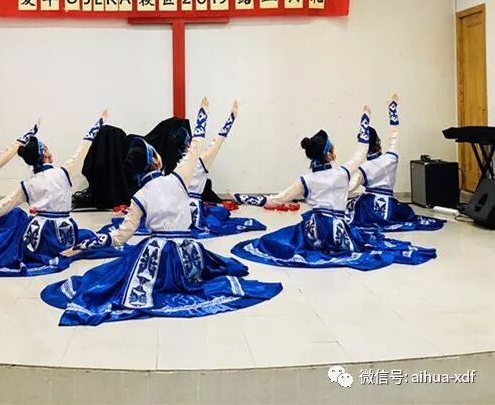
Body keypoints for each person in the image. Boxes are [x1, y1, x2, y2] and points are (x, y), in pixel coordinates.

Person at [41, 98, 282, 326]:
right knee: (217, 268)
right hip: (188, 252)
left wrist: (82, 247)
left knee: (114, 275)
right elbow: (198, 144)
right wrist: (203, 113)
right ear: (156, 161)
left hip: (154, 254)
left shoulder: (139, 196)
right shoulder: (178, 178)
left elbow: (120, 237)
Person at [230, 107, 437, 271]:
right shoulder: (342, 173)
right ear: (329, 154)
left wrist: (241, 198)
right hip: (339, 232)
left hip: (315, 231)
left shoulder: (306, 180)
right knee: (361, 237)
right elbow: (361, 152)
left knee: (273, 241)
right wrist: (365, 118)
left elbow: (276, 200)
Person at [0, 111, 124, 277]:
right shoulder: (64, 173)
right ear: (45, 155)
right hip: (64, 233)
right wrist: (98, 123)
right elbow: (82, 149)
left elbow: (2, 206)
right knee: (87, 235)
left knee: (19, 223)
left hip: (38, 236)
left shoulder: (28, 184)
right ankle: (75, 248)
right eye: (47, 149)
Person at [103, 101, 266, 239]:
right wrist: (222, 117)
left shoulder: (176, 168)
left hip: (172, 210)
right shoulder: (186, 168)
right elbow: (217, 140)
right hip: (189, 213)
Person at [346, 94, 445, 232]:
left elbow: (349, 188)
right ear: (378, 142)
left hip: (368, 207)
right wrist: (392, 109)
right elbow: (395, 135)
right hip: (390, 206)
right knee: (406, 212)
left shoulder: (363, 168)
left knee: (349, 208)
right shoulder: (391, 158)